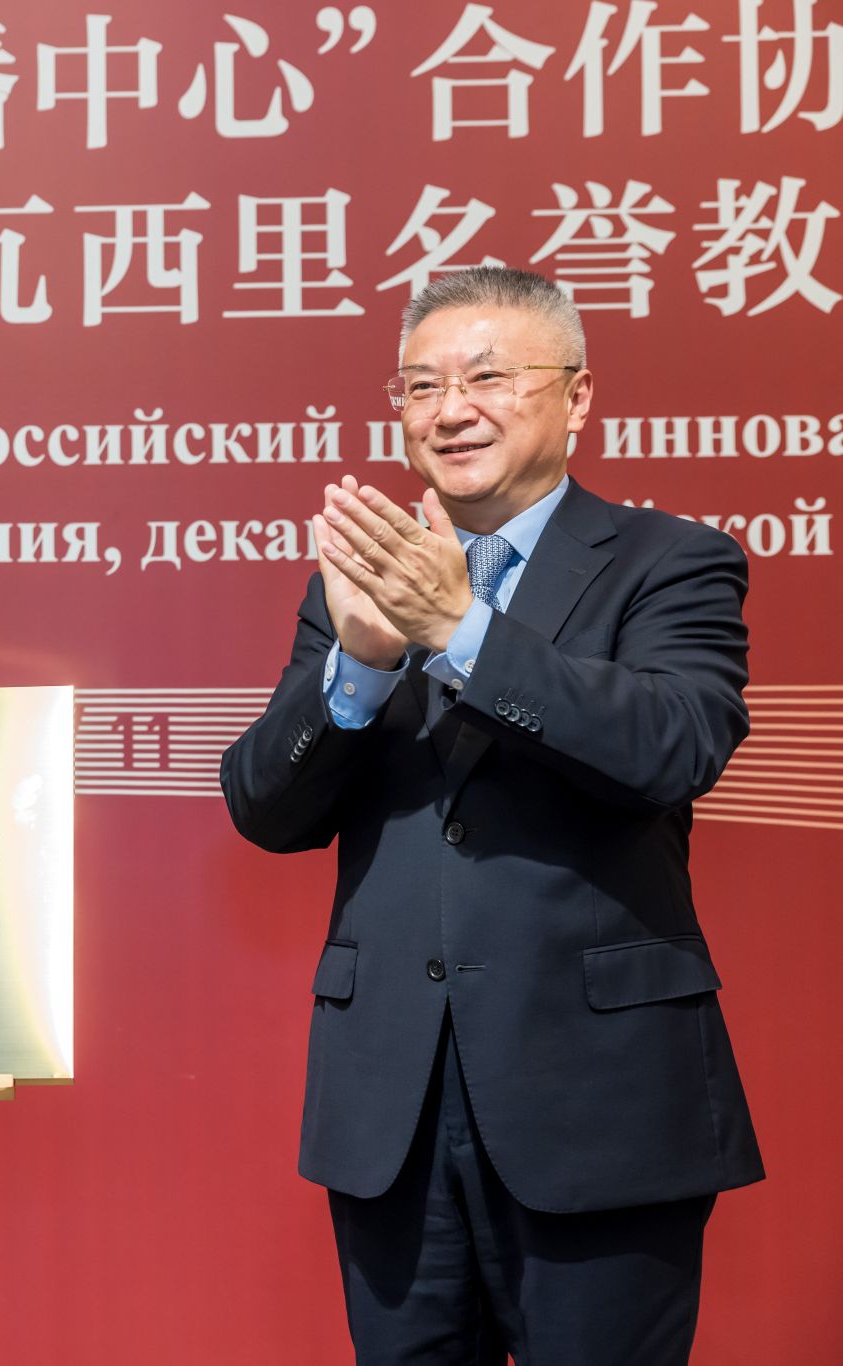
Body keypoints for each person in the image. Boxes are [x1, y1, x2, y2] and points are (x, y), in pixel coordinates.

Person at [219, 266, 761, 1365]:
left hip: (599, 1103)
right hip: (392, 1112)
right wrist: (358, 669)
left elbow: (672, 746)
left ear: (576, 394)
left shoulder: (668, 561)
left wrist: (461, 630)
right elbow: (265, 807)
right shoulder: (359, 583)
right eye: (420, 386)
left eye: (486, 377)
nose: (449, 409)